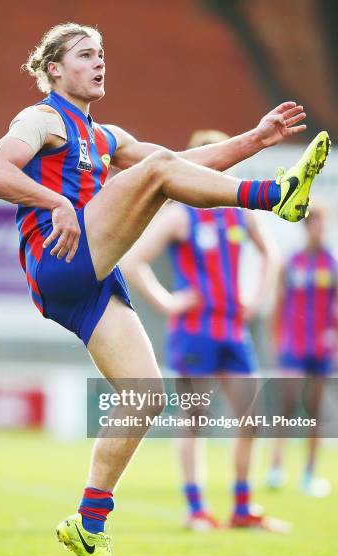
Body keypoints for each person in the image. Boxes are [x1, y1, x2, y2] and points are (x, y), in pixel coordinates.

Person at [0, 22, 330, 556]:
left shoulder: (104, 134)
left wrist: (255, 138)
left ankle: (88, 525)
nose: (99, 63)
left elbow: (181, 161)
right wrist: (55, 201)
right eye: (85, 55)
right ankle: (273, 197)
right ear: (54, 70)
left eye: (102, 54)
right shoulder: (41, 118)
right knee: (158, 174)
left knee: (145, 395)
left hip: (88, 275)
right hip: (59, 257)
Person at [121, 129, 284, 532]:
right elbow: (134, 262)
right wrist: (168, 302)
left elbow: (271, 255)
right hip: (194, 332)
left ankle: (243, 507)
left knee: (251, 417)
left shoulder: (239, 212)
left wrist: (257, 297)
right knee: (194, 419)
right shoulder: (180, 215)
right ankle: (196, 509)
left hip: (233, 331)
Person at [267, 204, 336, 497]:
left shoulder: (330, 264)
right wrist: (276, 339)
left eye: (322, 222)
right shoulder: (291, 262)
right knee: (287, 404)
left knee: (314, 410)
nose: (317, 227)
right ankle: (275, 467)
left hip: (320, 348)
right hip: (293, 346)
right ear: (306, 226)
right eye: (313, 222)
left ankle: (309, 474)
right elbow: (279, 303)